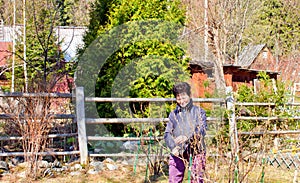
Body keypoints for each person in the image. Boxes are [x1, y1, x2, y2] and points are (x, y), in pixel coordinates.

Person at [164, 82, 207, 183]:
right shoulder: (173, 115)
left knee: (196, 179)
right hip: (178, 150)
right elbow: (167, 133)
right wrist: (172, 147)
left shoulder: (199, 112)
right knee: (174, 179)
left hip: (197, 150)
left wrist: (188, 137)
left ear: (189, 95)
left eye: (184, 97)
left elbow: (201, 130)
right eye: (178, 98)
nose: (181, 101)